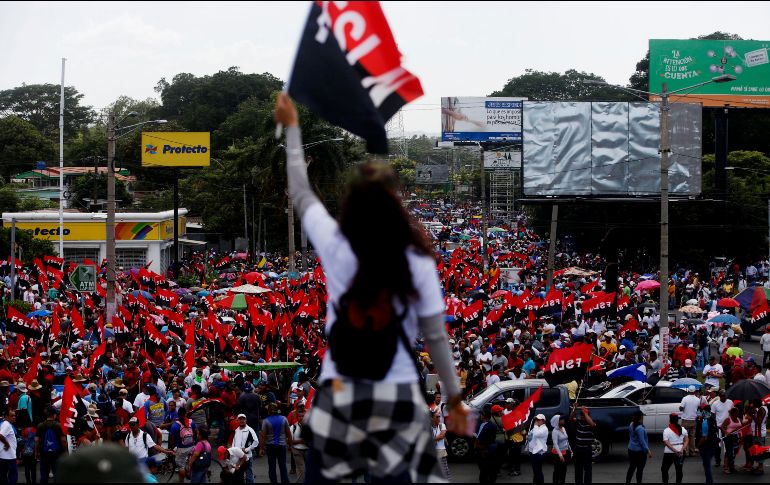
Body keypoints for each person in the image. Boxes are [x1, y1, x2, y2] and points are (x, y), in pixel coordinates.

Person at [275, 93, 467, 483]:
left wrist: (292, 129)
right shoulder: (418, 261)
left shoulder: (335, 244)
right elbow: (435, 338)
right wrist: (456, 398)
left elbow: (300, 192)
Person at [258, 403, 290, 484]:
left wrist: (261, 448)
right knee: (283, 465)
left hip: (270, 446)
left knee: (272, 466)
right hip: (282, 445)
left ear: (269, 411)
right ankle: (285, 481)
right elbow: (288, 433)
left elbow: (263, 436)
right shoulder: (284, 419)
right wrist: (290, 445)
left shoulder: (266, 421)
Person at [36, 406, 66, 484]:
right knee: (57, 474)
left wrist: (36, 452)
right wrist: (65, 451)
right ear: (54, 415)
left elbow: (37, 441)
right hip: (56, 454)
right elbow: (63, 440)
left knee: (44, 475)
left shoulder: (40, 426)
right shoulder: (59, 425)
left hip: (44, 453)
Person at [169, 406, 197, 483]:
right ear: (186, 413)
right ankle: (188, 472)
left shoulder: (175, 425)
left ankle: (181, 481)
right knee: (189, 462)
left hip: (181, 449)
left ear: (178, 414)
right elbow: (195, 433)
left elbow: (172, 439)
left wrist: (172, 448)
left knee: (181, 466)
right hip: (192, 446)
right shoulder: (192, 422)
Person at [571, 406, 596, 485]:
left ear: (588, 416)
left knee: (587, 469)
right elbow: (571, 418)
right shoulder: (578, 422)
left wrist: (585, 413)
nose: (582, 417)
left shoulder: (591, 424)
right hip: (578, 449)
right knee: (578, 469)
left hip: (587, 450)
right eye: (581, 415)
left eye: (584, 415)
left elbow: (592, 424)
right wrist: (574, 408)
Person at [231, 413, 259, 483]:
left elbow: (256, 441)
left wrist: (247, 449)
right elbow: (233, 444)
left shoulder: (250, 430)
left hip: (247, 457)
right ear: (237, 420)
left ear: (246, 420)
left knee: (249, 476)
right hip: (238, 458)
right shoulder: (236, 431)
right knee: (239, 476)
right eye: (240, 419)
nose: (242, 420)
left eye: (243, 419)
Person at [696, 404, 719, 484]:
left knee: (707, 466)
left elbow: (704, 437)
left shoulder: (705, 422)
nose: (700, 412)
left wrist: (697, 446)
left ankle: (709, 481)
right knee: (707, 464)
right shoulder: (713, 420)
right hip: (713, 446)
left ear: (704, 411)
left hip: (706, 447)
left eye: (701, 411)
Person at [662, 413, 688, 483]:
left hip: (669, 453)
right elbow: (686, 440)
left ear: (670, 420)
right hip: (681, 452)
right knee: (679, 470)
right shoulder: (683, 429)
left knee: (664, 469)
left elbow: (666, 442)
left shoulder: (666, 430)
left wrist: (675, 451)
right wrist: (682, 449)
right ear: (677, 420)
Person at [475, 407, 498, 483]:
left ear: (484, 416)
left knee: (485, 469)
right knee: (484, 468)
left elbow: (483, 438)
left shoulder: (490, 426)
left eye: (481, 414)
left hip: (485, 450)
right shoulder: (482, 424)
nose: (480, 416)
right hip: (483, 449)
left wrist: (478, 440)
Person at [626, 410, 651, 484]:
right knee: (639, 470)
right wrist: (648, 451)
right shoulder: (640, 428)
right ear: (640, 418)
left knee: (631, 467)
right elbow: (642, 441)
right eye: (642, 417)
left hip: (631, 449)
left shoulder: (631, 424)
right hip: (639, 452)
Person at [289, 405, 309, 483]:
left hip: (308, 451)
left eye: (303, 416)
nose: (302, 418)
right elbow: (289, 441)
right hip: (297, 451)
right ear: (297, 417)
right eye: (300, 416)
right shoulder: (293, 427)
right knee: (302, 470)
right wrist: (300, 441)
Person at [678, 386, 700, 456]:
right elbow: (698, 408)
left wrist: (681, 407)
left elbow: (681, 408)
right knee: (692, 437)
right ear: (694, 391)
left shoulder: (685, 398)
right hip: (693, 420)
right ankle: (692, 451)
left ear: (688, 391)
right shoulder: (697, 399)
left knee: (685, 436)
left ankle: (686, 452)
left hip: (685, 420)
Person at [720, 406, 742, 474]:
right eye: (736, 413)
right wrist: (726, 432)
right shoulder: (728, 419)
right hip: (729, 437)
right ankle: (726, 467)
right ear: (733, 413)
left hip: (736, 437)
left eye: (738, 413)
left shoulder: (738, 419)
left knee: (734, 452)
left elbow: (740, 427)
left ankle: (731, 466)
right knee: (729, 452)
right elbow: (721, 427)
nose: (737, 414)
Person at [550, 414, 570, 484]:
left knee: (563, 471)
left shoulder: (563, 428)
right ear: (557, 421)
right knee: (557, 471)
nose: (563, 420)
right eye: (561, 419)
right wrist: (560, 455)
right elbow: (555, 444)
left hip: (565, 452)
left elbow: (566, 440)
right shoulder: (555, 431)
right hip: (557, 454)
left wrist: (569, 449)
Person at [430, 410, 450, 480]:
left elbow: (441, 436)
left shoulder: (442, 425)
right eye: (437, 417)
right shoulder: (428, 427)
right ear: (432, 418)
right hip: (432, 452)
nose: (439, 418)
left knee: (445, 471)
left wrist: (431, 440)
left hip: (441, 452)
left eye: (439, 416)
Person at [0, 409, 17, 484]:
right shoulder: (7, 424)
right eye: (12, 416)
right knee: (13, 476)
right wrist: (7, 444)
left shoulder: (5, 424)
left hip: (5, 456)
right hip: (9, 456)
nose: (14, 417)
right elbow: (0, 435)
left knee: (3, 476)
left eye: (15, 415)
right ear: (6, 416)